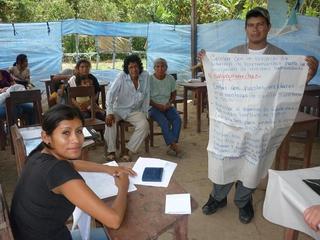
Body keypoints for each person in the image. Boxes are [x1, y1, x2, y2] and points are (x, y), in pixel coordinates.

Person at [201, 7, 319, 224]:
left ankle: (243, 200)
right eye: (251, 25)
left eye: (260, 25)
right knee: (225, 159)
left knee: (253, 163)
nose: (255, 29)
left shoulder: (280, 57)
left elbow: (288, 89)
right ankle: (217, 197)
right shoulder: (233, 55)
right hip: (232, 125)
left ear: (268, 28)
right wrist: (209, 64)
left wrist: (308, 73)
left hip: (261, 127)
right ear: (245, 29)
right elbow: (220, 83)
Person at [9, 104, 136, 240]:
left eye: (79, 131)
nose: (76, 140)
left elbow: (73, 164)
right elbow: (114, 221)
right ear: (46, 137)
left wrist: (109, 169)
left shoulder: (39, 154)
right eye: (66, 133)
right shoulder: (58, 171)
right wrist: (123, 186)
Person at [104, 54, 149, 161]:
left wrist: (145, 113)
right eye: (131, 67)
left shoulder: (145, 76)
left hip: (134, 111)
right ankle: (111, 151)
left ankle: (128, 151)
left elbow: (147, 95)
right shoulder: (121, 77)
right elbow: (111, 94)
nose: (134, 70)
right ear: (127, 69)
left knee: (144, 125)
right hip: (118, 109)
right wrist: (109, 112)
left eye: (136, 67)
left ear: (140, 67)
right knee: (110, 122)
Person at [149, 58, 182, 156]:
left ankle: (172, 144)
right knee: (164, 122)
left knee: (177, 119)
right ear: (154, 68)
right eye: (157, 66)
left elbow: (173, 94)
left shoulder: (170, 79)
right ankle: (174, 145)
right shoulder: (150, 79)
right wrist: (157, 105)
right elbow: (146, 98)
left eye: (163, 66)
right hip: (153, 107)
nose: (160, 68)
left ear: (166, 68)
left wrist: (169, 103)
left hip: (167, 106)